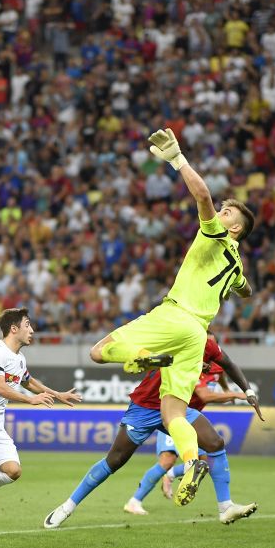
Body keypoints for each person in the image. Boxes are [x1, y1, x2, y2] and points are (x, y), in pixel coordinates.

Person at [87, 127, 258, 506]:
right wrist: (240, 287)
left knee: (98, 352)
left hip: (176, 315)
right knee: (174, 412)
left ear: (233, 228)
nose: (220, 212)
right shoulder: (237, 264)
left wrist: (177, 159)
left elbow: (202, 194)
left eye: (227, 213)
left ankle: (138, 359)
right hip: (198, 336)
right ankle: (192, 459)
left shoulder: (216, 235)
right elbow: (247, 289)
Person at [45, 337, 263, 529]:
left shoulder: (207, 345)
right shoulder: (173, 337)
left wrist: (249, 391)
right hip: (145, 407)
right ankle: (67, 506)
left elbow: (229, 364)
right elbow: (153, 360)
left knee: (215, 443)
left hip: (177, 406)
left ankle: (225, 506)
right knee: (115, 460)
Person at [0, 308, 83, 517]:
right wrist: (30, 400)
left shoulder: (19, 358)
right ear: (14, 329)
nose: (32, 330)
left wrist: (57, 395)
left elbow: (29, 382)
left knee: (13, 471)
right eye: (27, 325)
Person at [125, 352, 246, 515]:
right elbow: (204, 395)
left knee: (207, 460)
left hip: (191, 420)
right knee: (167, 459)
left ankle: (223, 505)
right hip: (172, 415)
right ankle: (134, 502)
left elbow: (220, 373)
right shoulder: (191, 364)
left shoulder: (214, 366)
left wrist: (225, 388)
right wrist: (235, 394)